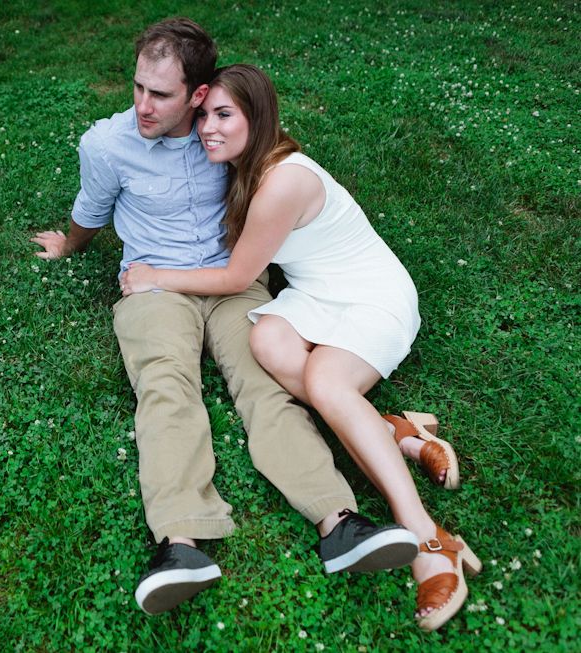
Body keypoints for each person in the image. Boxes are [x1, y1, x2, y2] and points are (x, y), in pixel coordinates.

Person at [31, 19, 419, 617]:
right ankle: (179, 543)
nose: (142, 105)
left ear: (198, 94)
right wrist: (70, 244)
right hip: (154, 288)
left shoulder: (223, 136)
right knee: (165, 385)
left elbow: (271, 181)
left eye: (160, 94)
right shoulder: (107, 144)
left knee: (265, 388)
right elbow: (93, 208)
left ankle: (339, 522)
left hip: (232, 280)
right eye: (137, 87)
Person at [120, 64, 480, 631]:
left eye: (224, 115)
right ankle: (393, 430)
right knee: (267, 340)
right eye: (204, 116)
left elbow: (238, 278)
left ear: (256, 117)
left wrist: (155, 276)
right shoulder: (249, 166)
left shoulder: (282, 180)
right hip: (318, 297)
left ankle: (429, 538)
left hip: (370, 299)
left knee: (326, 384)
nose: (207, 128)